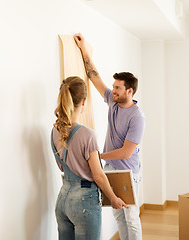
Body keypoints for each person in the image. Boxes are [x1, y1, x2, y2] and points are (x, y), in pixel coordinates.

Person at [74, 33, 146, 240]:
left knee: (131, 217)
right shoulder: (113, 101)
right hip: (111, 169)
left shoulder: (137, 117)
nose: (112, 90)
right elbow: (94, 77)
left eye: (117, 88)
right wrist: (84, 51)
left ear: (129, 91)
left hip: (128, 172)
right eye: (113, 87)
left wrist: (98, 157)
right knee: (118, 214)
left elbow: (126, 151)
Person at [50, 76, 127, 240]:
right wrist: (113, 198)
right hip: (84, 202)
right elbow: (98, 175)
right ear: (83, 102)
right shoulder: (87, 134)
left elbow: (62, 166)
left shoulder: (55, 131)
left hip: (63, 199)